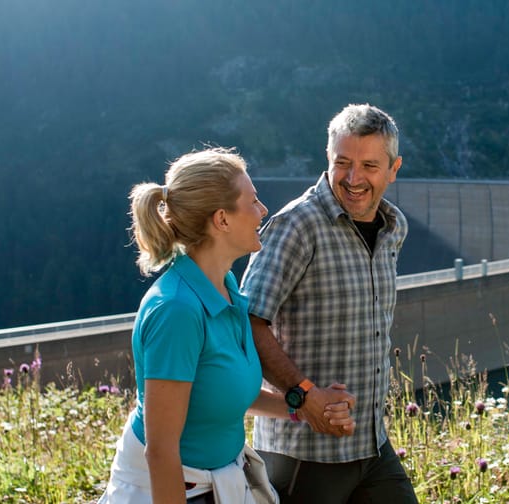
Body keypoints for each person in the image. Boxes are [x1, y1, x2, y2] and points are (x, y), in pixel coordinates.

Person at [100, 148, 354, 504]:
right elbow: (160, 451)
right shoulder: (176, 310)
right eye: (253, 201)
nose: (262, 211)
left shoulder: (227, 290)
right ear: (222, 219)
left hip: (219, 482)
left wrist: (306, 406)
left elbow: (225, 392)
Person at [243, 104, 418, 503]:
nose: (354, 179)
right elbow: (248, 323)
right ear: (328, 159)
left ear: (394, 168)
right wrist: (303, 397)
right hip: (304, 454)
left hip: (371, 447)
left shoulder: (394, 228)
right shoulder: (297, 225)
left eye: (370, 166)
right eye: (343, 162)